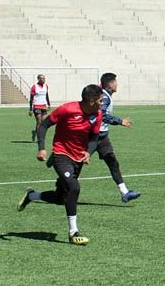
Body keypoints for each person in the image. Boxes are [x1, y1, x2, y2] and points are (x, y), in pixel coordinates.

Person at [19, 85, 104, 245]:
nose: (102, 103)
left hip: (78, 159)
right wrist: (42, 148)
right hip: (61, 155)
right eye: (100, 100)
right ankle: (73, 233)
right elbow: (44, 125)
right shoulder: (67, 109)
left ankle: (31, 195)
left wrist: (88, 152)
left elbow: (94, 138)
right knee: (74, 188)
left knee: (61, 198)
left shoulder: (97, 114)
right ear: (91, 100)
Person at [90, 73, 140, 204]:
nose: (117, 84)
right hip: (91, 137)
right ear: (109, 84)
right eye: (115, 82)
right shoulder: (104, 97)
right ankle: (63, 188)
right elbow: (102, 115)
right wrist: (120, 121)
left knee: (112, 161)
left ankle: (124, 192)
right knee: (77, 164)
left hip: (103, 136)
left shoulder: (106, 96)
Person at [29, 74, 50, 142]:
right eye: (42, 78)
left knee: (43, 122)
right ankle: (39, 138)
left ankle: (35, 132)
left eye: (44, 78)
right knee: (39, 121)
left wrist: (48, 104)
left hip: (43, 106)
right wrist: (30, 109)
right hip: (36, 106)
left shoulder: (46, 86)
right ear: (38, 79)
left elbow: (47, 95)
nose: (43, 80)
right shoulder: (34, 87)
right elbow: (31, 98)